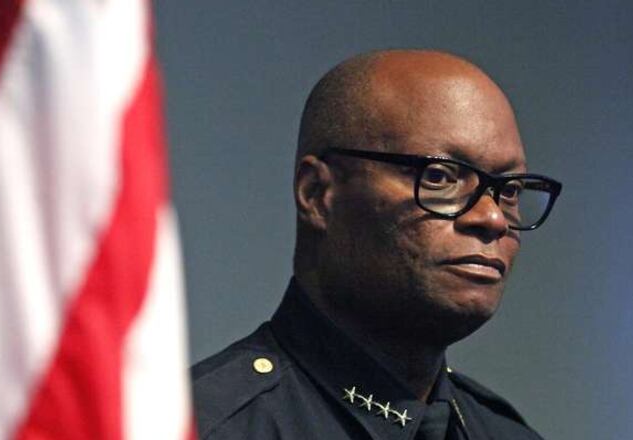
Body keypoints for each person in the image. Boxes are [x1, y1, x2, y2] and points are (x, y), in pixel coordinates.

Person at [191, 49, 562, 440]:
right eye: (438, 177)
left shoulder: (504, 433)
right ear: (318, 193)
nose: (492, 218)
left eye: (510, 190)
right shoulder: (198, 427)